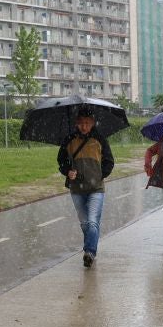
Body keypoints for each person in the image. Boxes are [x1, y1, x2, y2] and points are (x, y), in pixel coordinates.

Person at [58, 107, 114, 268]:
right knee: (84, 224)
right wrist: (68, 171)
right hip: (76, 189)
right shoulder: (69, 140)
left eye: (87, 123)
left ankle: (89, 251)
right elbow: (61, 160)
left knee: (92, 222)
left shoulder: (100, 140)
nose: (84, 126)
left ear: (92, 123)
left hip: (96, 188)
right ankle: (91, 247)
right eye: (81, 123)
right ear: (76, 123)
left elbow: (109, 162)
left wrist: (99, 175)